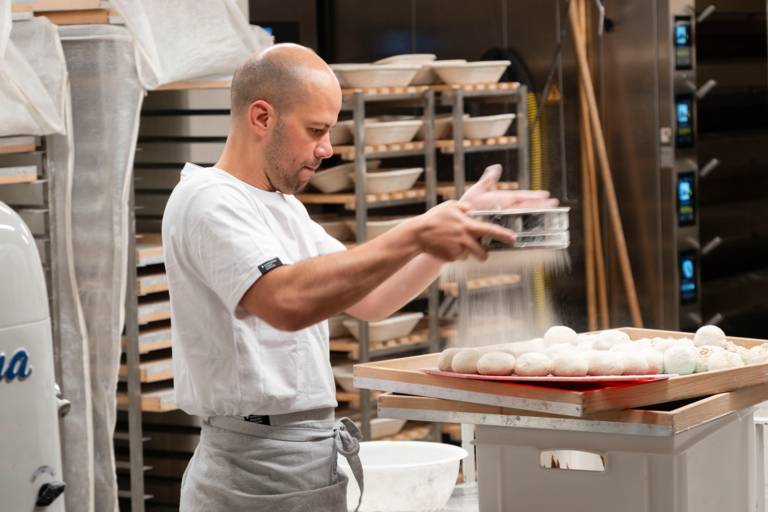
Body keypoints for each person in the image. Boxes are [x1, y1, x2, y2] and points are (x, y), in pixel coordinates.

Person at [161, 43, 558, 512]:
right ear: (262, 117)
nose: (327, 149)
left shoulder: (284, 208)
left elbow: (374, 299)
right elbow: (285, 302)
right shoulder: (208, 201)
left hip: (304, 456)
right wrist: (416, 233)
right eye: (316, 131)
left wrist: (455, 223)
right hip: (252, 467)